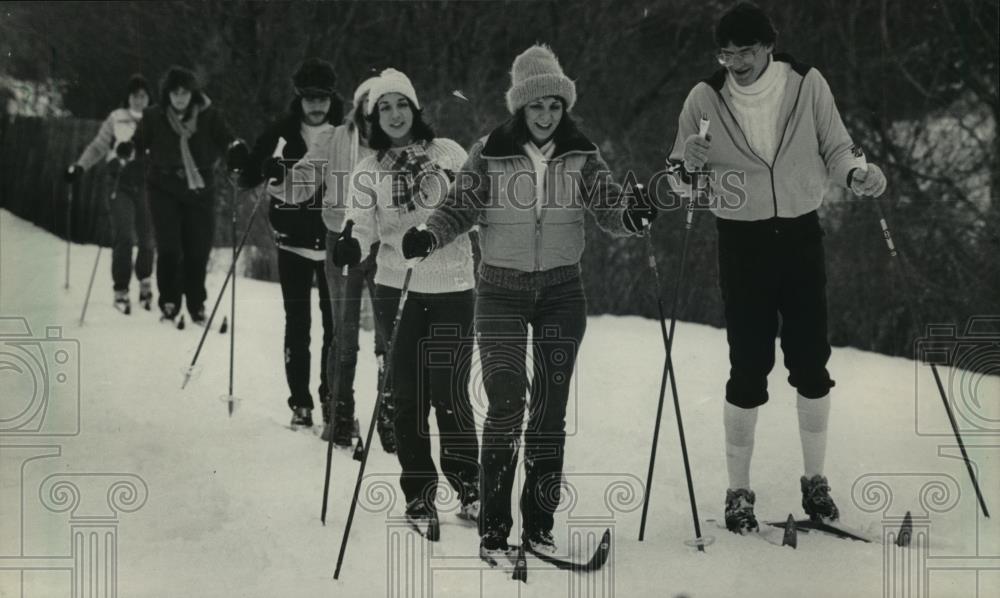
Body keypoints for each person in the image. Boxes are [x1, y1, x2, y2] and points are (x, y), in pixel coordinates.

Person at [413, 45, 655, 561]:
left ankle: (539, 527)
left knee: (549, 411)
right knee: (505, 405)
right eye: (535, 106)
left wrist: (633, 215)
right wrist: (428, 236)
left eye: (554, 106)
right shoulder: (490, 150)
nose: (546, 116)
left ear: (564, 107)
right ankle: (494, 530)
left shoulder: (583, 153)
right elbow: (459, 207)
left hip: (563, 293)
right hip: (500, 291)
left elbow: (609, 207)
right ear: (519, 108)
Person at [666, 2, 888, 535]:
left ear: (768, 45)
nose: (734, 62)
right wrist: (687, 164)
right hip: (740, 240)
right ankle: (738, 489)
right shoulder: (704, 96)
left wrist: (858, 174)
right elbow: (678, 177)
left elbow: (837, 145)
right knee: (748, 362)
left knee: (811, 360)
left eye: (744, 51)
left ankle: (815, 480)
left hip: (799, 233)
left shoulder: (807, 84)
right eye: (725, 52)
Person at [334, 68, 480, 539]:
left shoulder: (449, 154)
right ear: (374, 118)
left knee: (450, 392)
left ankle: (469, 485)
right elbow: (360, 224)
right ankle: (418, 494)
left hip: (453, 285)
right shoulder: (368, 169)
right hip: (397, 288)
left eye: (401, 104)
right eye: (384, 108)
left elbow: (474, 210)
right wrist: (349, 245)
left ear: (415, 108)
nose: (394, 115)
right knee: (409, 395)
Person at [278, 75, 394, 451]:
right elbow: (302, 182)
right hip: (340, 242)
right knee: (343, 337)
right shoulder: (335, 139)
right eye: (370, 105)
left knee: (388, 335)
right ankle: (340, 416)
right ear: (359, 106)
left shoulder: (396, 144)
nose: (375, 113)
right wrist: (277, 180)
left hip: (383, 247)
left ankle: (391, 412)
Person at [239, 58, 342, 429]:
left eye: (323, 98)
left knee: (336, 327)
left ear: (332, 97)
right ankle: (301, 403)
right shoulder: (280, 132)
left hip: (334, 244)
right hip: (293, 242)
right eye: (309, 97)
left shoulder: (346, 132)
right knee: (298, 325)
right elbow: (249, 174)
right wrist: (246, 164)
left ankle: (333, 398)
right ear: (298, 97)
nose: (316, 105)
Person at [132, 66, 247, 324]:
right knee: (170, 246)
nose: (180, 98)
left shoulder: (209, 116)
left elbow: (226, 140)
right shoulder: (153, 116)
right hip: (164, 186)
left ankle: (196, 303)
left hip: (200, 189)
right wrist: (128, 149)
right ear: (167, 95)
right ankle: (170, 300)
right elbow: (139, 144)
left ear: (193, 94)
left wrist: (235, 150)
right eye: (175, 93)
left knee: (198, 248)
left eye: (184, 93)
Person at [66, 74, 155, 314]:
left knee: (147, 238)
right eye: (135, 95)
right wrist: (81, 166)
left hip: (147, 184)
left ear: (148, 98)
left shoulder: (155, 119)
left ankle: (145, 282)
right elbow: (98, 146)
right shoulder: (117, 118)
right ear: (128, 97)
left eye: (143, 95)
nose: (139, 100)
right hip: (119, 183)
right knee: (124, 236)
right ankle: (121, 289)